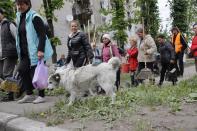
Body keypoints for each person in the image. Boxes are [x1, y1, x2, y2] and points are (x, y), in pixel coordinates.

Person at [15, 0, 53, 104]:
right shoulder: (19, 16)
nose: (19, 6)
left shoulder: (35, 17)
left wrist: (40, 50)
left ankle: (41, 96)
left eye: (21, 4)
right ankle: (29, 94)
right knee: (22, 70)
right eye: (18, 4)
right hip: (24, 51)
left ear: (27, 4)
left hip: (36, 50)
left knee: (36, 73)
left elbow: (42, 35)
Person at [0, 8, 18, 101]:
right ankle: (10, 91)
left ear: (2, 14)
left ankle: (11, 95)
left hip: (10, 53)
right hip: (1, 54)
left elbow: (17, 37)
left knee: (7, 74)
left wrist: (19, 51)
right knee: (2, 74)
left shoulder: (8, 24)